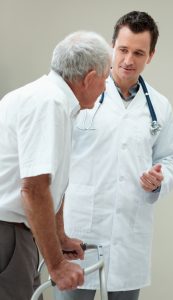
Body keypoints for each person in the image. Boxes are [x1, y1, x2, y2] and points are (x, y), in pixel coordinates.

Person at [54, 11, 173, 300]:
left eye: (139, 52)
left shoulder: (159, 107)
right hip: (80, 230)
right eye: (123, 49)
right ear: (112, 46)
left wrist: (159, 179)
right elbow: (56, 153)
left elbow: (172, 159)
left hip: (129, 233)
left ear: (150, 55)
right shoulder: (82, 93)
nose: (128, 60)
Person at [0, 30, 111, 300]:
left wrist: (59, 237)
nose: (105, 88)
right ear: (90, 78)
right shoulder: (49, 104)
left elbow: (51, 184)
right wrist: (57, 265)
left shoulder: (50, 99)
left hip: (17, 231)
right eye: (105, 78)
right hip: (7, 231)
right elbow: (34, 189)